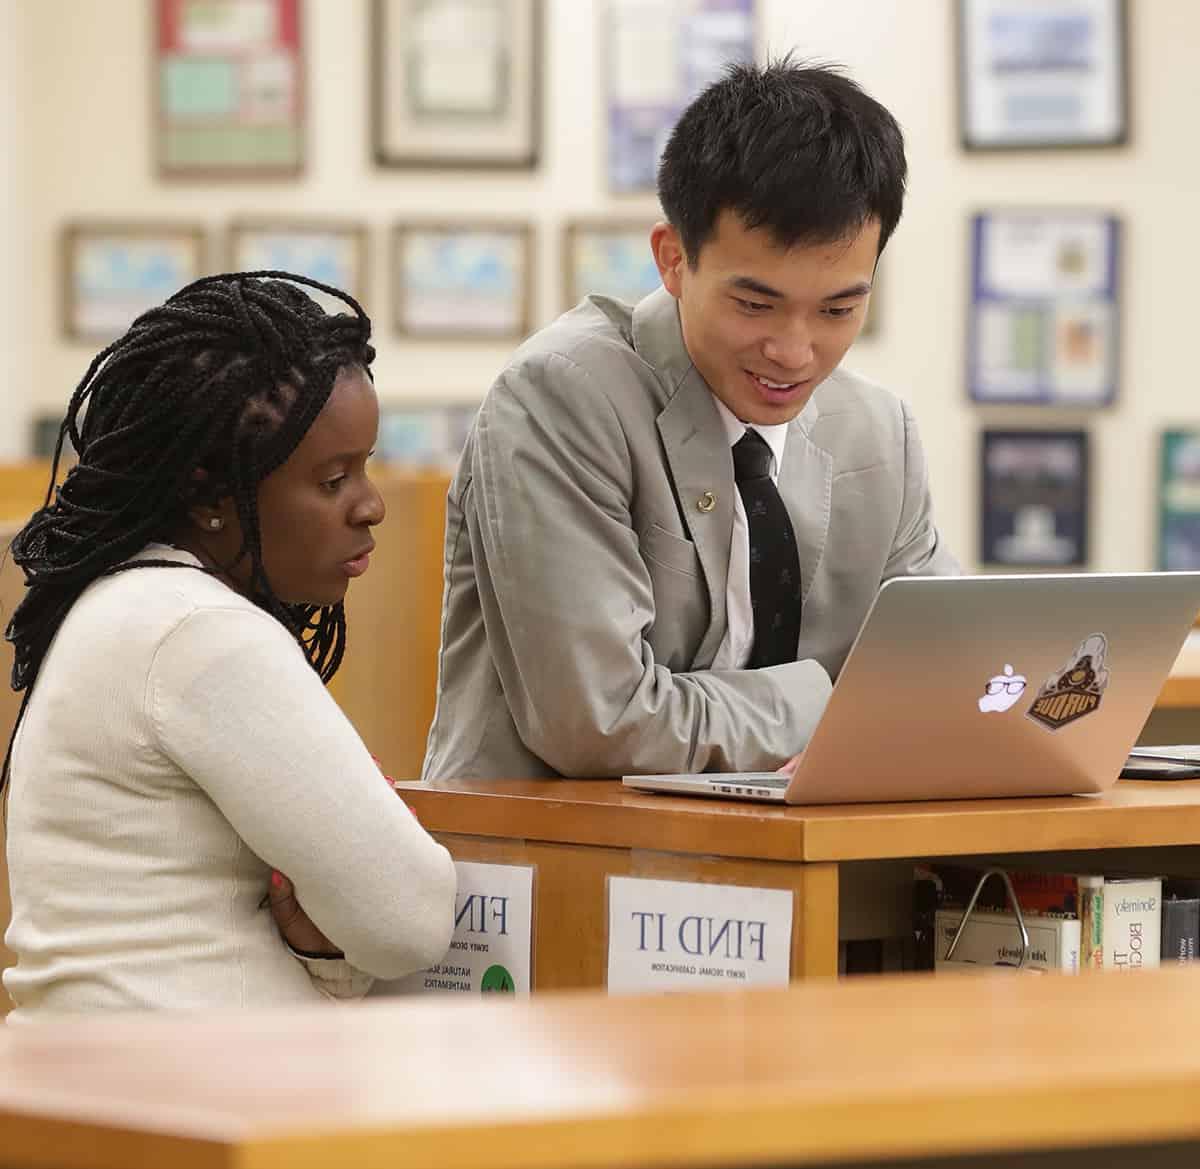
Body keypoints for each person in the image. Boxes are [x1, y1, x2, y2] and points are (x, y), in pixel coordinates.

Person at [424, 59, 957, 780]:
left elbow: (952, 674)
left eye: (838, 309)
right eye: (755, 304)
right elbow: (598, 721)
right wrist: (836, 703)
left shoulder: (878, 433)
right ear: (673, 260)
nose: (795, 351)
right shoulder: (560, 396)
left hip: (794, 863)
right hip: (559, 860)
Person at [2, 273, 456, 1020]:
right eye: (334, 478)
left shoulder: (126, 602)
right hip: (183, 1098)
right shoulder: (199, 631)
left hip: (117, 1086)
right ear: (212, 494)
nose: (371, 505)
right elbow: (409, 921)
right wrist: (342, 924)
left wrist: (323, 944)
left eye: (366, 468)